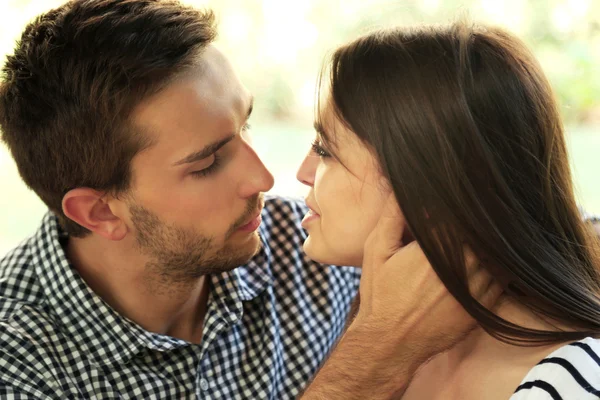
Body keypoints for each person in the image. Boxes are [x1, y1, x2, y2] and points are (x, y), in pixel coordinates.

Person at [0, 1, 496, 398]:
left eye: (245, 125)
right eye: (207, 163)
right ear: (100, 212)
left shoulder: (301, 236)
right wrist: (373, 360)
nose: (262, 177)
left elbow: (532, 236)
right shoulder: (17, 361)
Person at [296, 21, 600, 399]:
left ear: (423, 184)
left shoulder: (565, 384)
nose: (302, 173)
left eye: (326, 150)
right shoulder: (388, 336)